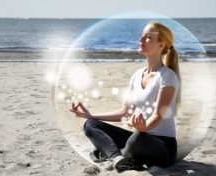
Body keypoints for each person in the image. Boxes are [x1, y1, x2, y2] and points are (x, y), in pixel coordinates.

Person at [69, 21, 181, 172]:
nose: (141, 40)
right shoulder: (137, 75)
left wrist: (145, 127)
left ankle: (109, 153)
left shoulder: (167, 76)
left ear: (161, 44)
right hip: (139, 136)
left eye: (148, 37)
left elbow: (158, 114)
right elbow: (125, 112)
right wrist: (90, 115)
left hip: (162, 147)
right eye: (141, 36)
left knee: (138, 138)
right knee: (91, 124)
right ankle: (118, 158)